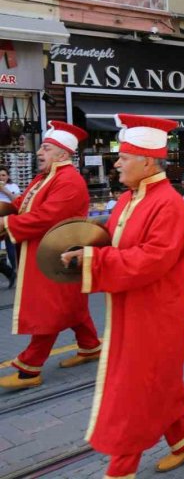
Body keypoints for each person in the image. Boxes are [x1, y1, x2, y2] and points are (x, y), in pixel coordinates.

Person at [60, 114, 184, 477]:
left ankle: (120, 468)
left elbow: (150, 260)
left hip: (155, 314)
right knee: (161, 381)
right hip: (131, 307)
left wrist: (95, 259)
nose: (118, 162)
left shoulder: (168, 204)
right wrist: (84, 243)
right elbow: (116, 241)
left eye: (124, 156)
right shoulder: (128, 199)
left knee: (136, 389)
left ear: (147, 160)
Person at [0, 122, 102, 390]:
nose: (39, 152)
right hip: (47, 254)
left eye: (46, 148)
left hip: (56, 256)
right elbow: (21, 205)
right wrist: (5, 211)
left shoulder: (69, 180)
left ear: (63, 154)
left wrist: (6, 225)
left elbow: (46, 217)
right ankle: (91, 347)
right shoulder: (44, 177)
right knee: (72, 306)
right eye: (42, 147)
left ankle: (29, 368)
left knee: (50, 310)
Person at [0, 166, 20, 287]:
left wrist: (5, 191)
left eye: (3, 175)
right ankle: (10, 272)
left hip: (9, 217)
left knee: (10, 246)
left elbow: (17, 201)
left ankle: (14, 270)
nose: (1, 177)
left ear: (7, 176)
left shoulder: (13, 187)